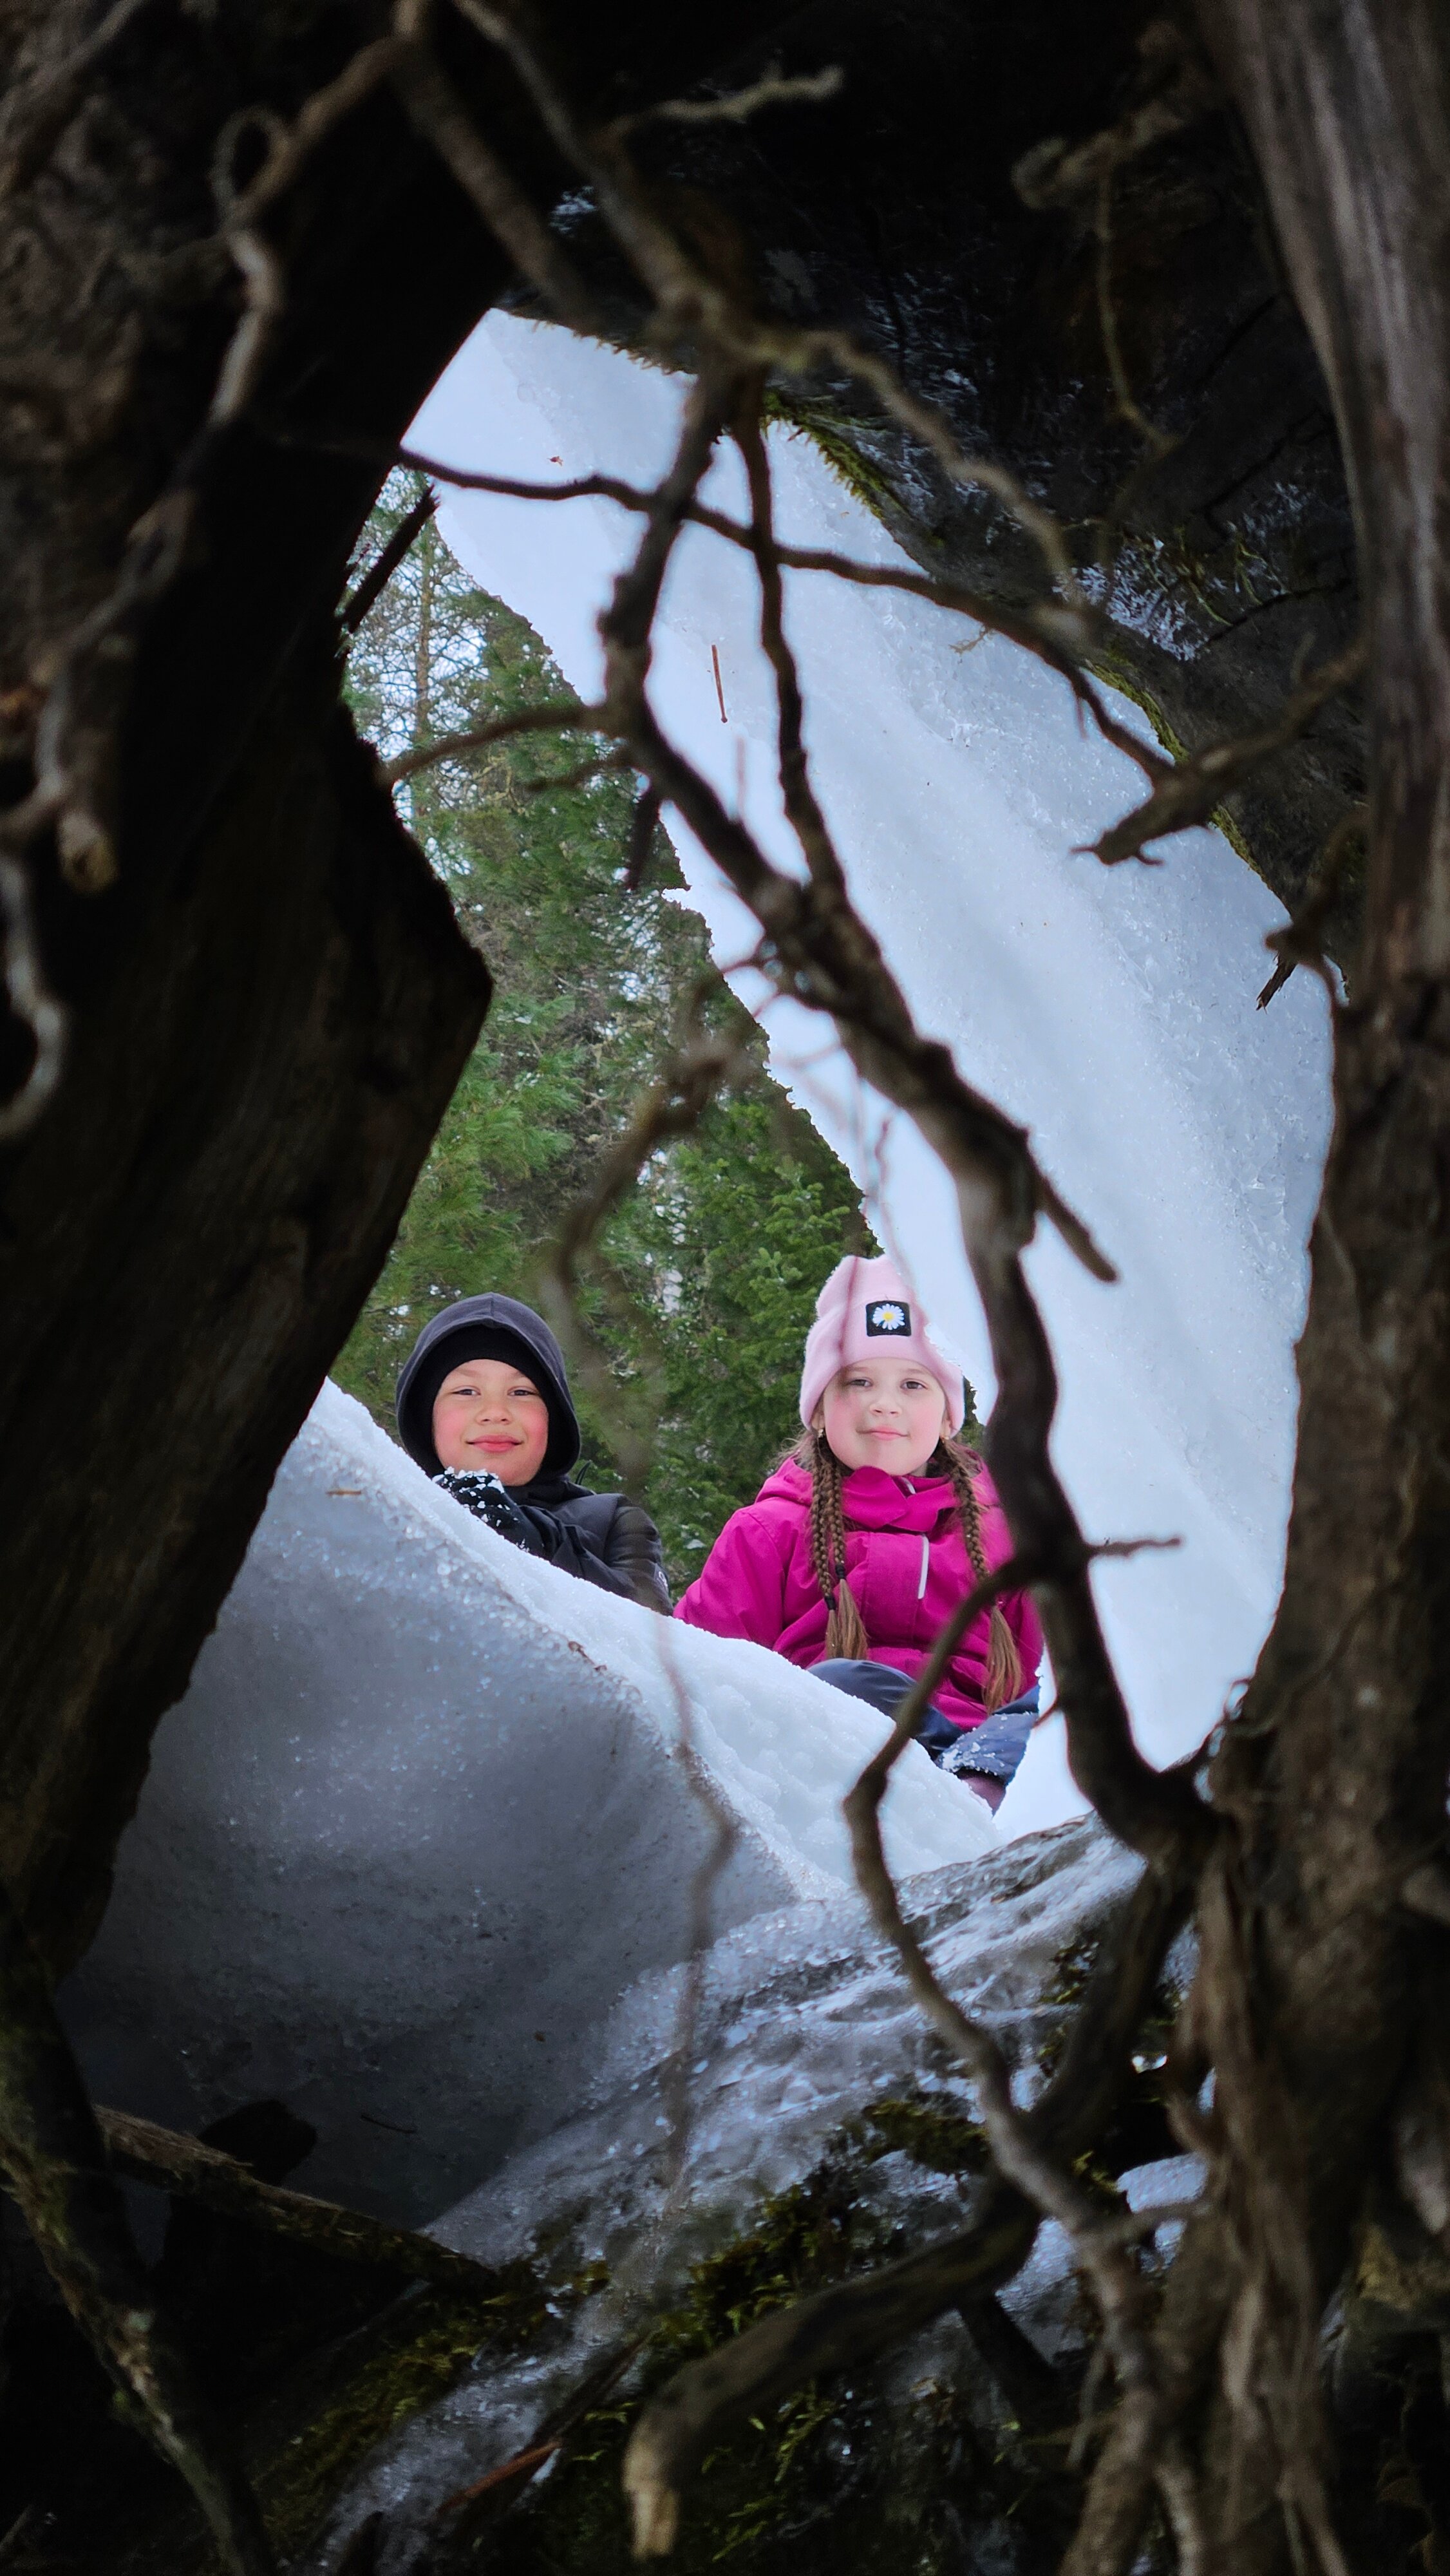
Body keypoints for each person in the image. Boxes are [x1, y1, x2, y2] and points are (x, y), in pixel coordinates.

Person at [674, 1255, 1042, 1807]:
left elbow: (1031, 1681)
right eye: (858, 1381)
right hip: (812, 1769)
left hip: (973, 1770)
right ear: (820, 1410)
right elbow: (701, 1670)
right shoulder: (769, 1531)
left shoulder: (1002, 1537)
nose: (883, 1403)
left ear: (948, 1416)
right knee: (848, 1685)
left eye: (914, 1384)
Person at [395, 1294, 670, 1613]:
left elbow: (651, 1635)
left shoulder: (613, 1521)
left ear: (554, 1416)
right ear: (426, 1417)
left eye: (521, 1392)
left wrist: (539, 1544)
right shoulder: (388, 1504)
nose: (496, 1412)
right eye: (466, 1392)